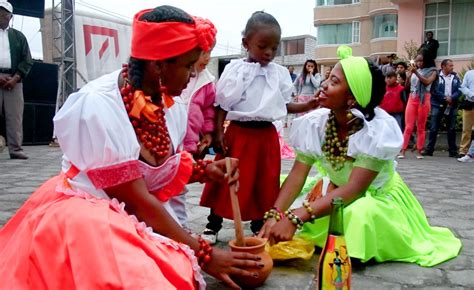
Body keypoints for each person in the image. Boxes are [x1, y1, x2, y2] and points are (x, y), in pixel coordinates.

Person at [0, 6, 264, 289]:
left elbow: (156, 169)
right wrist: (204, 253)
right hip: (90, 213)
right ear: (158, 65)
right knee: (137, 280)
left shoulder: (170, 105)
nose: (192, 76)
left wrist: (206, 169)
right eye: (188, 65)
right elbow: (136, 198)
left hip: (134, 211)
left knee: (173, 268)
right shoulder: (97, 105)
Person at [258, 45, 461, 267]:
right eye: (328, 78)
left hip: (375, 198)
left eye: (334, 82)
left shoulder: (376, 130)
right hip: (336, 192)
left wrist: (297, 216)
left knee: (358, 214)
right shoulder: (316, 123)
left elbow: (355, 189)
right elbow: (297, 175)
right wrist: (275, 215)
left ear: (352, 99)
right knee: (277, 194)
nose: (324, 85)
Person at [199, 11, 319, 244]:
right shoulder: (235, 70)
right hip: (239, 134)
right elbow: (221, 105)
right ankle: (213, 224)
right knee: (226, 179)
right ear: (246, 43)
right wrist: (218, 133)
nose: (268, 53)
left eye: (274, 48)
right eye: (263, 46)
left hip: (266, 137)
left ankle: (258, 225)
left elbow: (285, 106)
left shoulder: (280, 74)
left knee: (264, 182)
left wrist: (309, 105)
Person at [170, 43, 217, 229]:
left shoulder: (207, 81)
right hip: (171, 141)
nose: (207, 57)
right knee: (168, 183)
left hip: (192, 141)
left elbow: (208, 110)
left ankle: (180, 224)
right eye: (203, 53)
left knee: (181, 183)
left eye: (210, 52)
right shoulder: (175, 77)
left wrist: (207, 132)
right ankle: (171, 223)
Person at [0, 0, 32, 160]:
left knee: (15, 116)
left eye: (3, 13)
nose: (0, 15)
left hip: (14, 80)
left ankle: (16, 149)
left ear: (10, 16)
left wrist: (16, 78)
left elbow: (27, 60)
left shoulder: (18, 36)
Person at [398, 49, 438, 159]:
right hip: (412, 97)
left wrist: (416, 73)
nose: (418, 63)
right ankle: (403, 150)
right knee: (408, 126)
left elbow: (427, 82)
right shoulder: (415, 71)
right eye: (417, 61)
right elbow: (406, 86)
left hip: (424, 99)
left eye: (421, 61)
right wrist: (410, 75)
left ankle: (420, 151)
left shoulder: (432, 71)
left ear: (426, 60)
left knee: (420, 126)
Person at [424, 59, 461, 157]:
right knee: (434, 128)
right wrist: (445, 98)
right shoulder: (436, 76)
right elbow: (434, 90)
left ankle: (453, 151)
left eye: (452, 65)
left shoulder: (455, 77)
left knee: (451, 128)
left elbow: (459, 90)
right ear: (443, 66)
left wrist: (451, 98)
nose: (452, 67)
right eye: (450, 65)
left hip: (451, 105)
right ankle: (429, 150)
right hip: (438, 105)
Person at [458, 69, 474, 158]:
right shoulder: (469, 73)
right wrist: (471, 94)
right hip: (469, 103)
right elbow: (462, 87)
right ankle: (463, 150)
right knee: (466, 129)